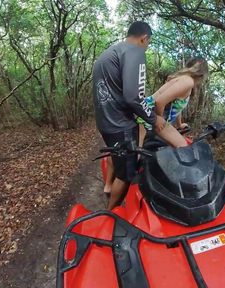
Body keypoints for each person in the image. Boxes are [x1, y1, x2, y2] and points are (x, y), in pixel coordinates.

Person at [93, 21, 168, 210]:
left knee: (117, 157)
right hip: (121, 125)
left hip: (105, 121)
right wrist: (152, 118)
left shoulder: (111, 52)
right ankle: (110, 213)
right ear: (144, 38)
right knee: (126, 175)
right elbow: (134, 96)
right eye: (147, 43)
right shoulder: (135, 51)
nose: (146, 47)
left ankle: (108, 190)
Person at [137, 57, 209, 146]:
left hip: (150, 113)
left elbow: (176, 106)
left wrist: (179, 124)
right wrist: (158, 121)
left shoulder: (184, 80)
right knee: (183, 146)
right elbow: (160, 101)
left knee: (178, 144)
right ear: (202, 74)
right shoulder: (188, 82)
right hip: (147, 114)